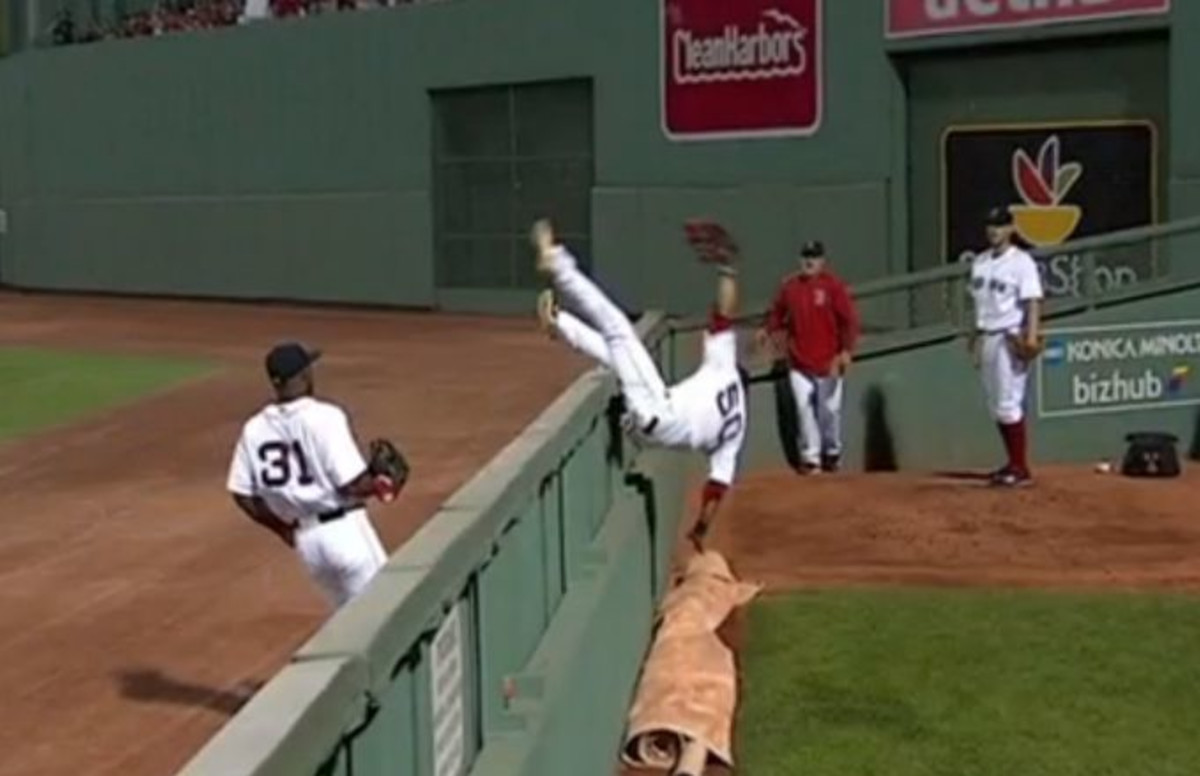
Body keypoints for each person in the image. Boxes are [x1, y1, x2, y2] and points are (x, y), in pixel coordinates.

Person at [531, 217, 747, 550]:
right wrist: (700, 529)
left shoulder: (725, 370)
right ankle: (559, 323)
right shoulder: (737, 431)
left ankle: (558, 264)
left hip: (657, 410)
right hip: (648, 431)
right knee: (621, 357)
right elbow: (717, 488)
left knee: (618, 326)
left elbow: (724, 314)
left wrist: (728, 270)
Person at [226, 342, 404, 608]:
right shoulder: (324, 416)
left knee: (344, 624)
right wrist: (381, 481)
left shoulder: (254, 429)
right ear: (304, 375)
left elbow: (241, 493)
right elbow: (352, 485)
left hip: (308, 543)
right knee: (384, 613)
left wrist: (282, 528)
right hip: (345, 533)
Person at [757, 239, 859, 474]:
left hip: (828, 361)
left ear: (822, 260)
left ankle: (832, 452)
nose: (809, 261)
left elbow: (849, 321)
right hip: (799, 361)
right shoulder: (790, 287)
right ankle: (811, 457)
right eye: (805, 256)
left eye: (813, 257)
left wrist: (846, 351)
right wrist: (766, 329)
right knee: (804, 408)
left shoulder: (833, 286)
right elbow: (777, 312)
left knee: (829, 410)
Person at [965, 206, 1045, 487]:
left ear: (1011, 229)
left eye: (1000, 225)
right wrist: (973, 338)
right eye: (990, 225)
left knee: (1008, 403)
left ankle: (1020, 468)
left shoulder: (1021, 262)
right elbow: (978, 305)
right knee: (996, 405)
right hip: (987, 335)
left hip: (1008, 337)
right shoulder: (981, 262)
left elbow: (1032, 301)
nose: (994, 230)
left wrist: (1032, 337)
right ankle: (1013, 463)